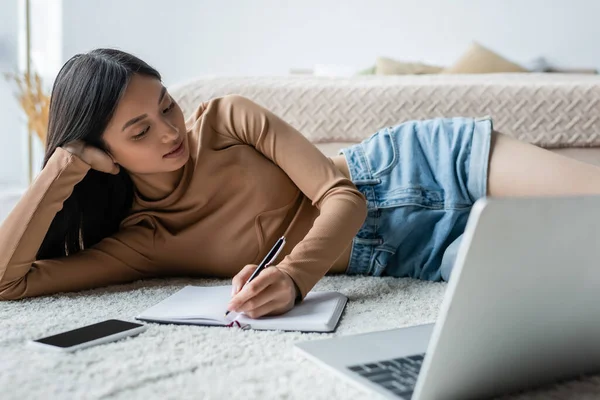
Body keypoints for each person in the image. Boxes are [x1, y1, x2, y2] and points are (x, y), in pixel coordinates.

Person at [2, 49, 600, 319]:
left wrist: (291, 278)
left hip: (416, 163)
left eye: (166, 105)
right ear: (103, 154)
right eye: (139, 130)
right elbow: (10, 283)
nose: (168, 131)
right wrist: (57, 169)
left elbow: (343, 195)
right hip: (409, 253)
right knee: (579, 279)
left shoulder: (228, 117)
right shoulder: (142, 241)